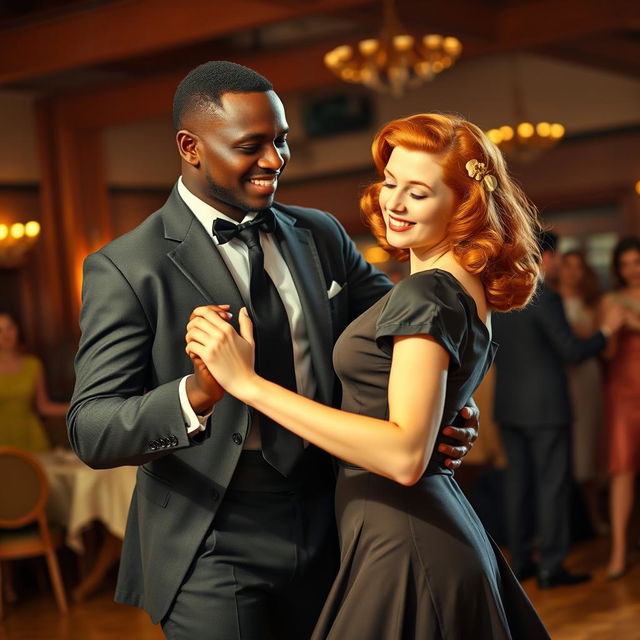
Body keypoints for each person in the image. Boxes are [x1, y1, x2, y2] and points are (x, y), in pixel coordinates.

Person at [66, 61, 478, 639]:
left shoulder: (321, 234)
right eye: (251, 146)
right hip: (213, 534)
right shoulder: (128, 267)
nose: (275, 161)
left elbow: (412, 340)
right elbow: (92, 428)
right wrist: (198, 394)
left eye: (281, 141)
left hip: (336, 512)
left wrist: (448, 404)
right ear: (190, 146)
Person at [186, 112, 551, 639]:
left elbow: (404, 456)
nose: (394, 203)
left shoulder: (425, 292)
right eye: (391, 182)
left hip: (406, 536)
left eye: (418, 193)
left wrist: (247, 385)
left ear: (465, 204)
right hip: (412, 527)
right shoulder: (460, 286)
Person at [493, 231, 624, 588]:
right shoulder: (543, 297)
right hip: (547, 408)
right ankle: (551, 566)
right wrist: (606, 333)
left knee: (517, 488)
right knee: (552, 487)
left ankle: (521, 562)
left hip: (508, 405)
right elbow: (572, 351)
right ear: (544, 258)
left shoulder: (501, 297)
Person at [557, 250, 607, 534]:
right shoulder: (548, 300)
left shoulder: (593, 303)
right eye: (568, 267)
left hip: (587, 379)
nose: (573, 273)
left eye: (579, 268)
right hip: (561, 381)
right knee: (568, 450)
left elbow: (602, 342)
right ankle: (573, 522)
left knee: (589, 446)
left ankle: (595, 515)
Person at [601, 236, 640, 579]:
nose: (632, 270)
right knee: (622, 470)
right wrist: (611, 329)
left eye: (636, 263)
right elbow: (608, 353)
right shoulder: (610, 300)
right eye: (625, 264)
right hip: (623, 392)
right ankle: (617, 552)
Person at [0, 311, 68, 452]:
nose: (6, 334)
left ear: (17, 330)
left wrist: (78, 407)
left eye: (10, 328)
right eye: (0, 330)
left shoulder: (33, 365)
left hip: (31, 435)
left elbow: (43, 406)